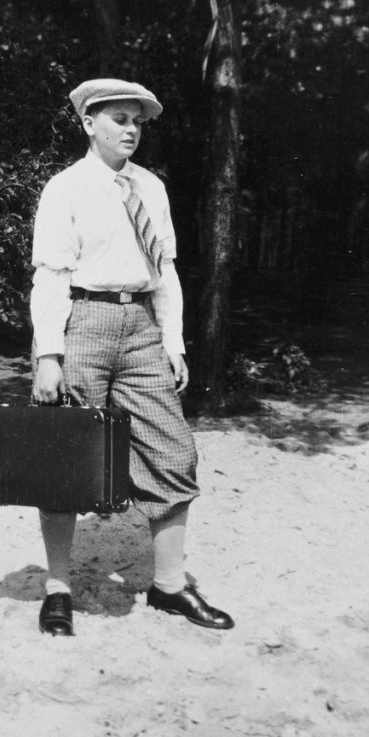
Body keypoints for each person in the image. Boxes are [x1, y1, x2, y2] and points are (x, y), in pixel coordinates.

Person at [30, 78, 234, 637]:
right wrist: (50, 354)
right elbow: (50, 274)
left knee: (173, 451)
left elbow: (164, 271)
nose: (130, 129)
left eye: (138, 121)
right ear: (88, 123)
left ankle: (169, 589)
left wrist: (173, 342)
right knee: (65, 459)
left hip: (141, 325)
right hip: (81, 324)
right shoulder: (65, 188)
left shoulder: (152, 188)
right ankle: (58, 589)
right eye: (119, 118)